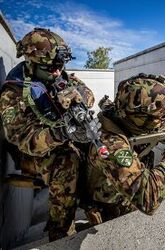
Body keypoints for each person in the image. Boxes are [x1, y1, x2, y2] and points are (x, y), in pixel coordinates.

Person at [0, 28, 94, 241]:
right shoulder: (13, 93)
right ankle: (61, 231)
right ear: (30, 62)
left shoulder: (59, 73)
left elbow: (88, 93)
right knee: (67, 162)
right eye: (49, 68)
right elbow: (22, 138)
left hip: (61, 136)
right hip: (31, 154)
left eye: (60, 67)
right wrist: (59, 133)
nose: (56, 73)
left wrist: (78, 98)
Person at [85, 73, 165, 224]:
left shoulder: (123, 113)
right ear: (138, 117)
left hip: (120, 187)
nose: (161, 122)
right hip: (112, 206)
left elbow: (162, 126)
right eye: (158, 118)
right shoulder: (110, 144)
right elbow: (148, 200)